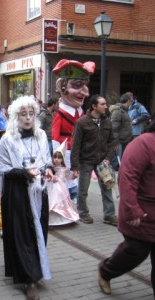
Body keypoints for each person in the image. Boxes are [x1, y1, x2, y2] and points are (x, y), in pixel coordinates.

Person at [98, 107, 155, 300]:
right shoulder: (143, 144)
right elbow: (127, 179)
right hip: (143, 216)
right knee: (135, 251)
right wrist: (132, 210)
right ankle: (106, 271)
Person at [0, 95, 54, 300]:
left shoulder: (41, 136)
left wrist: (49, 170)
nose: (28, 118)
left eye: (31, 114)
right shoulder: (7, 139)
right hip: (17, 193)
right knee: (21, 234)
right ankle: (29, 280)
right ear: (15, 116)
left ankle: (35, 270)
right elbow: (0, 167)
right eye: (23, 114)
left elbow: (46, 160)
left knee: (37, 232)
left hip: (38, 192)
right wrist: (23, 173)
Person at [51, 59, 95, 202]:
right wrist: (58, 155)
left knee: (76, 176)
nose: (85, 92)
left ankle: (74, 198)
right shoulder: (60, 114)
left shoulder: (81, 113)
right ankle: (65, 199)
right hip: (66, 152)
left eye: (85, 85)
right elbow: (55, 136)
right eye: (77, 85)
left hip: (79, 151)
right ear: (62, 87)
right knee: (66, 176)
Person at [71, 95, 118, 226]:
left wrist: (108, 158)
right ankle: (83, 213)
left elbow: (112, 141)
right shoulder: (82, 122)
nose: (105, 106)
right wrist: (74, 167)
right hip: (86, 161)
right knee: (83, 190)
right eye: (102, 104)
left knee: (107, 188)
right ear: (94, 106)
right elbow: (75, 145)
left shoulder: (107, 121)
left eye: (105, 104)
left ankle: (109, 215)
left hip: (102, 161)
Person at [47, 139, 79, 226]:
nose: (57, 160)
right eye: (55, 157)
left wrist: (74, 176)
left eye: (59, 158)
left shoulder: (65, 169)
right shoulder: (51, 167)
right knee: (53, 200)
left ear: (62, 159)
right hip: (52, 186)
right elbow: (47, 175)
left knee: (62, 199)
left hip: (62, 187)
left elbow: (68, 177)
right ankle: (51, 219)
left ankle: (63, 218)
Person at [109, 93, 133, 170]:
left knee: (122, 161)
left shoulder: (123, 111)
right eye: (131, 101)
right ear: (128, 101)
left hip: (124, 140)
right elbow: (114, 128)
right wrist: (115, 142)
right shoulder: (118, 111)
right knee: (117, 163)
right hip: (119, 141)